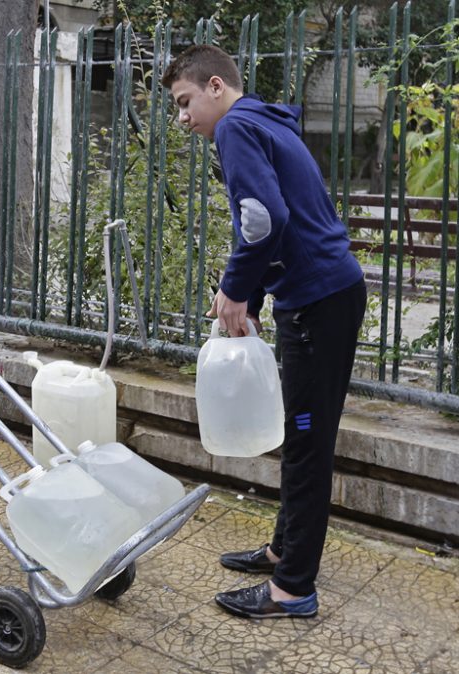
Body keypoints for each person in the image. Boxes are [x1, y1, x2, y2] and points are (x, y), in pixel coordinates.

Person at [162, 45, 366, 619]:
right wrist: (248, 295)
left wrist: (233, 288)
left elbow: (263, 218)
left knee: (305, 444)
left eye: (185, 102)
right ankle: (283, 549)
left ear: (217, 87)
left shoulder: (235, 130)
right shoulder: (262, 123)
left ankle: (293, 588)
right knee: (302, 437)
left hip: (319, 303)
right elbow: (278, 219)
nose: (182, 118)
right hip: (322, 296)